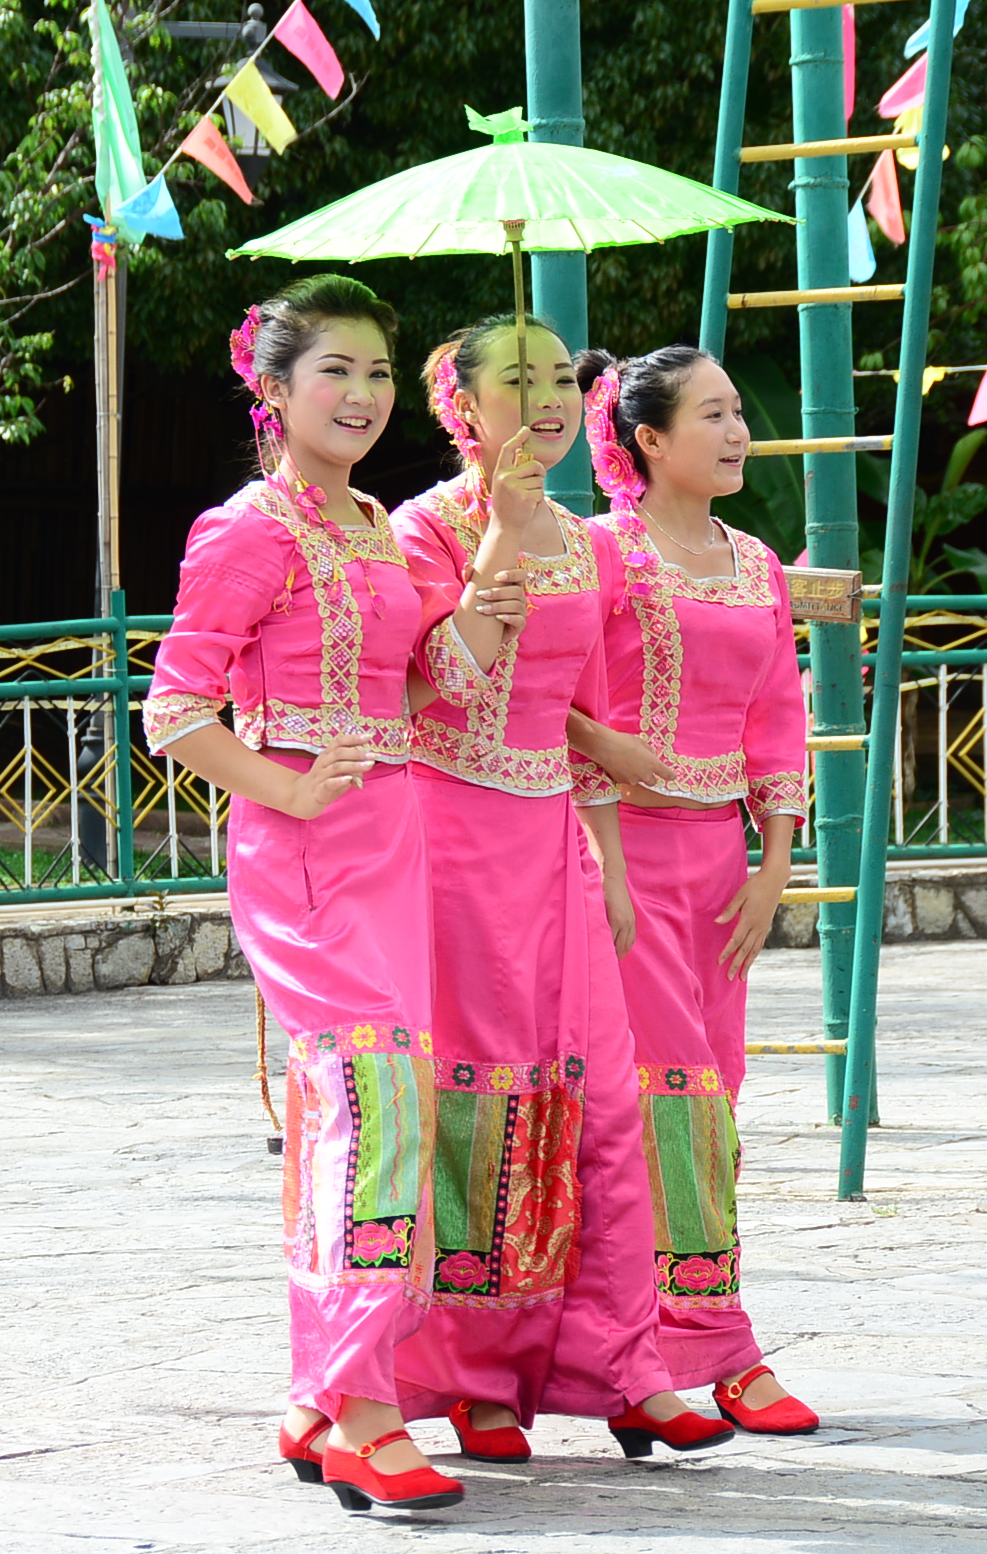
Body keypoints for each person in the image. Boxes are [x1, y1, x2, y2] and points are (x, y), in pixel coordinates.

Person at [143, 276, 470, 1512]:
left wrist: (478, 618)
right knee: (374, 1104)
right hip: (307, 855)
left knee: (373, 1110)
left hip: (398, 839)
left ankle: (323, 1392)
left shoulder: (377, 524)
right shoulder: (248, 529)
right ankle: (366, 1414)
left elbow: (415, 687)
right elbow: (176, 709)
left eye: (379, 372)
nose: (364, 394)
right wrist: (286, 787)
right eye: (336, 369)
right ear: (273, 391)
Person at [387, 317, 737, 1462]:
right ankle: (476, 1376)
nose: (546, 401)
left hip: (557, 846)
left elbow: (577, 720)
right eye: (517, 382)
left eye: (556, 382)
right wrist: (497, 533)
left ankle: (624, 1365)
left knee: (607, 1105)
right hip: (451, 841)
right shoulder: (423, 529)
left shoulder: (589, 547)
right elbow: (435, 685)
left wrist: (610, 861)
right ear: (463, 407)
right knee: (484, 1103)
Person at [564, 345, 821, 1435]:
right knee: (668, 1100)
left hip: (722, 869)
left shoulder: (756, 564)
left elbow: (777, 719)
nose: (736, 431)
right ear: (650, 439)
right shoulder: (599, 552)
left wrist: (774, 867)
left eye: (737, 411)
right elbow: (564, 702)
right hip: (620, 860)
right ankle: (717, 1348)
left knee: (714, 1095)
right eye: (711, 414)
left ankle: (652, 1351)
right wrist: (609, 866)